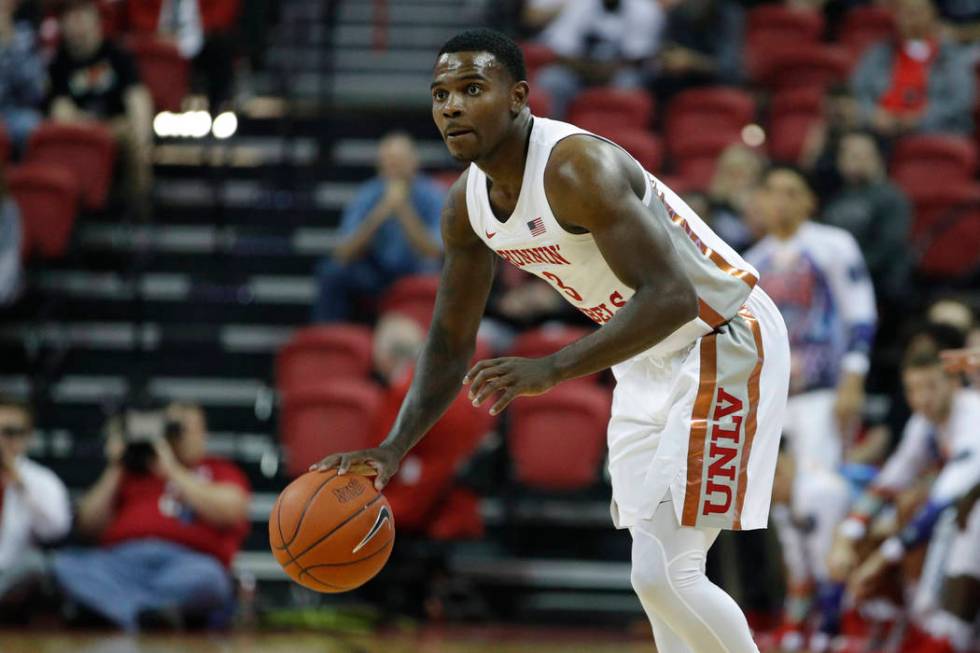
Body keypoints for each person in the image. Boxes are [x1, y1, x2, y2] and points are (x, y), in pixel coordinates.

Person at [314, 29, 791, 653]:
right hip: (646, 353)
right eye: (440, 94)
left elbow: (672, 295)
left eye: (471, 89)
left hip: (722, 334)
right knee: (653, 582)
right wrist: (394, 446)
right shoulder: (466, 206)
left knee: (667, 572)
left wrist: (553, 368)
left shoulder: (575, 167)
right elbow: (449, 341)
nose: (451, 106)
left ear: (518, 97)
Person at [744, 165, 877, 650]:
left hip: (823, 389)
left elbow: (860, 310)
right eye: (771, 190)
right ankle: (801, 602)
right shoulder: (751, 260)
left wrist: (854, 375)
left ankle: (836, 608)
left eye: (791, 191)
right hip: (776, 396)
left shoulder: (833, 245)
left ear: (808, 202)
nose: (779, 199)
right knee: (780, 502)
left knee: (819, 493)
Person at [829, 351, 980, 652]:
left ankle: (945, 635)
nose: (922, 398)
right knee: (889, 515)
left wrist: (880, 561)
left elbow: (941, 505)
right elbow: (886, 484)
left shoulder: (972, 418)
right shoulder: (924, 423)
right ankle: (886, 623)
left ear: (953, 382)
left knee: (953, 517)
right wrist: (846, 537)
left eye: (931, 386)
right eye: (913, 389)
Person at [51, 402, 250, 631]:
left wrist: (171, 469)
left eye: (183, 429)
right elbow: (87, 524)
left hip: (185, 565)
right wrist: (117, 464)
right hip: (121, 564)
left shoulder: (218, 470)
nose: (176, 436)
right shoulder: (133, 471)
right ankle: (150, 614)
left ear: (203, 434)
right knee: (65, 565)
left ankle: (119, 611)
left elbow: (232, 511)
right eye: (171, 428)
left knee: (210, 580)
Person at [312, 132, 444, 323]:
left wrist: (403, 210)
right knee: (332, 272)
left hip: (417, 271)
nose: (394, 167)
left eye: (399, 161)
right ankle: (329, 340)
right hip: (377, 272)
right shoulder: (368, 194)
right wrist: (379, 214)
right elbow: (343, 253)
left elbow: (435, 251)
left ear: (414, 162)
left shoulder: (433, 194)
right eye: (389, 161)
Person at [47, 0, 154, 218]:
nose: (76, 23)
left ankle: (138, 210)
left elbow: (137, 97)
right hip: (78, 132)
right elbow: (59, 109)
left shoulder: (117, 55)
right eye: (69, 17)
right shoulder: (57, 63)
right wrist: (87, 126)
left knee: (133, 134)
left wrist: (142, 134)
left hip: (115, 126)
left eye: (81, 15)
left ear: (96, 20)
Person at [851, 0, 975, 137]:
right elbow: (857, 90)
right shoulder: (878, 53)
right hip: (881, 130)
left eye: (918, 12)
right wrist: (872, 114)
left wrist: (920, 119)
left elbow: (958, 101)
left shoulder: (950, 57)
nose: (912, 17)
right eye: (906, 12)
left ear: (933, 16)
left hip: (933, 131)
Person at [821, 131, 911, 309]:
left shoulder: (891, 197)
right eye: (849, 155)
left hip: (879, 287)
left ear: (878, 159)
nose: (855, 161)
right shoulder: (834, 198)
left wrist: (850, 269)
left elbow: (889, 246)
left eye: (863, 155)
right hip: (835, 284)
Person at [0, 395, 71, 620]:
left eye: (10, 433)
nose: (0, 441)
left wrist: (22, 486)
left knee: (38, 564)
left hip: (12, 571)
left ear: (27, 437)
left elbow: (56, 530)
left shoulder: (41, 480)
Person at [533, 0, 663, 120]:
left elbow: (638, 57)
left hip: (619, 72)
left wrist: (607, 70)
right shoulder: (578, 5)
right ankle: (557, 132)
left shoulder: (644, 9)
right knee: (552, 79)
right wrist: (590, 70)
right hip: (580, 69)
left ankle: (615, 133)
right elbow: (561, 51)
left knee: (628, 82)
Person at [0, 0, 46, 151]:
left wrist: (10, 44)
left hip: (12, 113)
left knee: (32, 124)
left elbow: (35, 93)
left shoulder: (25, 36)